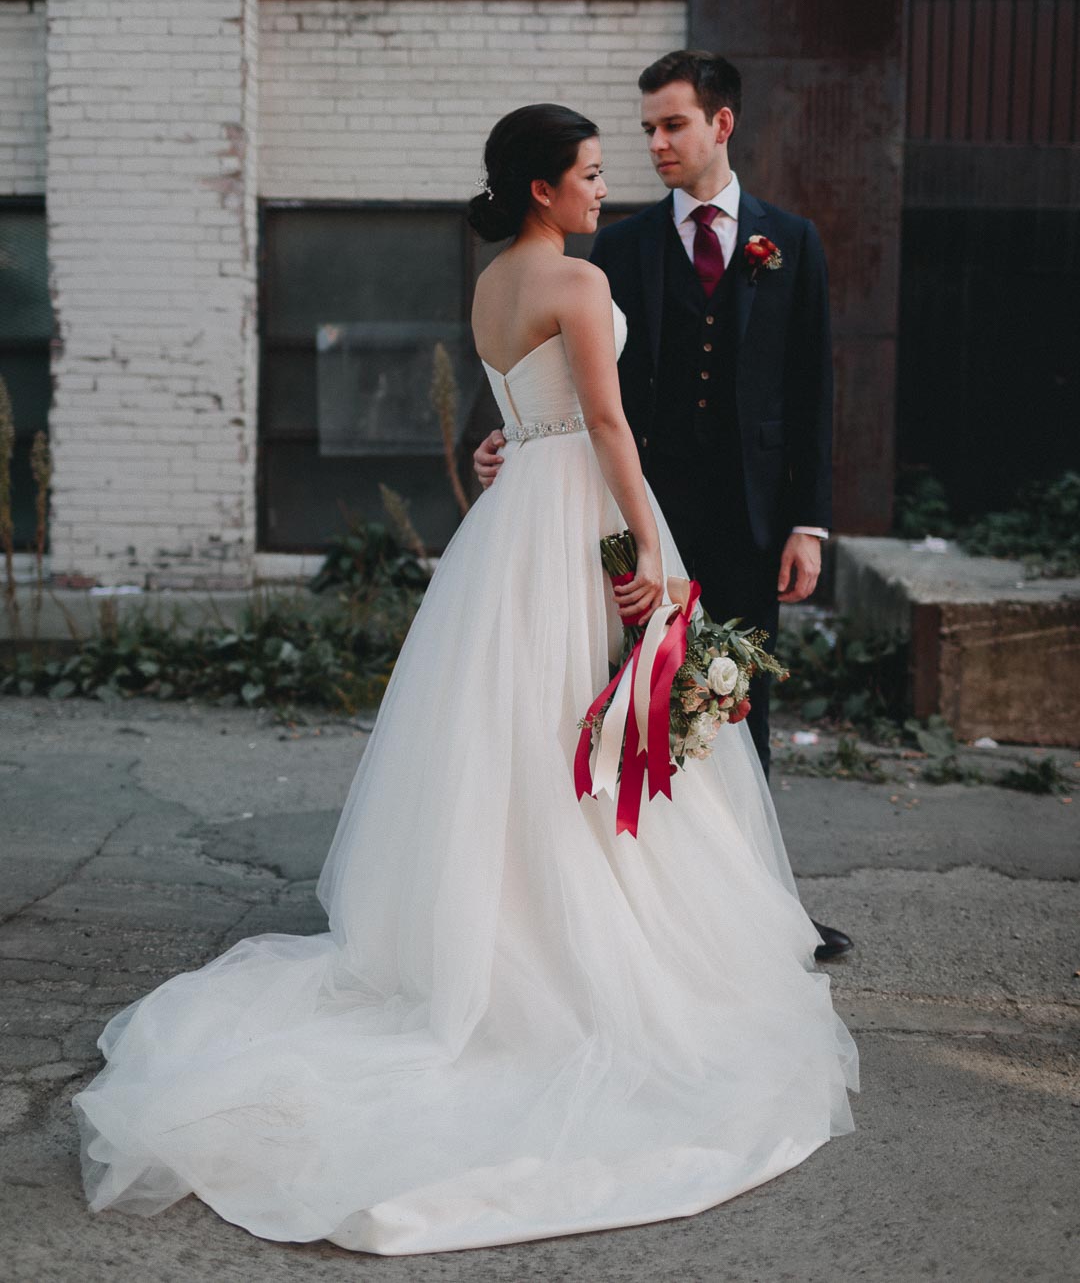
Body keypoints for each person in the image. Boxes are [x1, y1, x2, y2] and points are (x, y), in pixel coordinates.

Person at [72, 104, 857, 1257]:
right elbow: (605, 424)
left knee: (520, 726)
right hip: (577, 511)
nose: (605, 188)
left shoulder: (495, 281)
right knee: (580, 725)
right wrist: (649, 547)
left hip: (512, 529)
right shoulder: (579, 286)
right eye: (590, 174)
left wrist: (510, 460)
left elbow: (521, 418)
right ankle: (569, 942)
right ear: (543, 188)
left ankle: (492, 925)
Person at [474, 54, 853, 964]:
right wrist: (510, 443)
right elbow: (579, 389)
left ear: (721, 125)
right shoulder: (617, 248)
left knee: (731, 708)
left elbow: (814, 391)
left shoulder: (790, 241)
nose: (655, 145)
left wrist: (810, 521)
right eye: (644, 129)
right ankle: (656, 898)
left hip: (756, 516)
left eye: (672, 125)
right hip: (626, 514)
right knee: (620, 700)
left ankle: (756, 901)